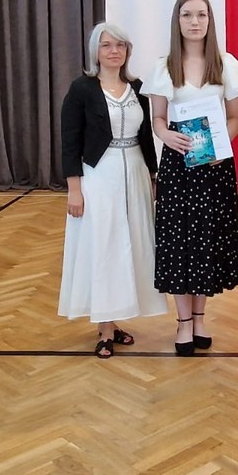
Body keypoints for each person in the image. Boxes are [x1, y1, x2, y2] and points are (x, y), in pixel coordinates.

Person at [142, 0, 238, 356]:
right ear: (178, 20)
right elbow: (157, 119)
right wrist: (166, 135)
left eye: (201, 14)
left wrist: (220, 147)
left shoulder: (226, 63)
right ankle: (183, 323)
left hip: (215, 168)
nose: (195, 21)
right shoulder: (163, 67)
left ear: (209, 20)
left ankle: (200, 320)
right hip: (178, 167)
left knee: (207, 243)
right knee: (179, 244)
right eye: (187, 15)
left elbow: (234, 118)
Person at [58, 23, 168, 359]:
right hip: (98, 176)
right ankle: (104, 329)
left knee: (129, 247)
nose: (114, 51)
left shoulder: (137, 88)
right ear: (96, 51)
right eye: (107, 45)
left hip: (134, 174)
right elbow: (70, 142)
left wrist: (153, 176)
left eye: (120, 45)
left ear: (127, 51)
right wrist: (74, 189)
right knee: (104, 247)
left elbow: (146, 137)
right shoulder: (82, 89)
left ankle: (116, 318)